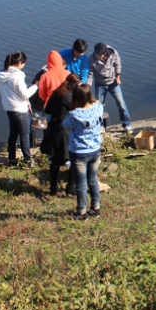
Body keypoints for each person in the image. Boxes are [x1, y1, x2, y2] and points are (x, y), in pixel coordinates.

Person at [62, 84, 104, 220]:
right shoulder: (98, 108)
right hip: (95, 150)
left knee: (80, 184)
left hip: (79, 152)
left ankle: (82, 212)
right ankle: (96, 208)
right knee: (93, 180)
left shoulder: (74, 114)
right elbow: (97, 102)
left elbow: (66, 126)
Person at [41, 74, 80, 197]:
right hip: (66, 133)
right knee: (74, 159)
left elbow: (47, 111)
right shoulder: (72, 98)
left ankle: (53, 187)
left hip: (53, 130)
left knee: (55, 161)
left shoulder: (56, 94)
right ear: (73, 85)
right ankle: (70, 187)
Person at [0, 51, 38, 167]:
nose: (24, 65)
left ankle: (12, 160)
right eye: (24, 63)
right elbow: (25, 94)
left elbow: (15, 92)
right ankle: (28, 161)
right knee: (24, 136)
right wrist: (35, 86)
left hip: (9, 109)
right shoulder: (17, 77)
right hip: (20, 110)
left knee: (13, 135)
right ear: (19, 63)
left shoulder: (2, 74)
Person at [87, 42, 132, 133]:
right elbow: (90, 74)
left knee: (121, 103)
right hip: (100, 84)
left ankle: (126, 124)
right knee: (99, 106)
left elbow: (117, 64)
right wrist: (88, 87)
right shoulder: (91, 59)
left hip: (113, 83)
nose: (96, 56)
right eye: (95, 53)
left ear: (104, 54)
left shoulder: (114, 53)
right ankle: (101, 125)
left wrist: (118, 77)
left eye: (98, 55)